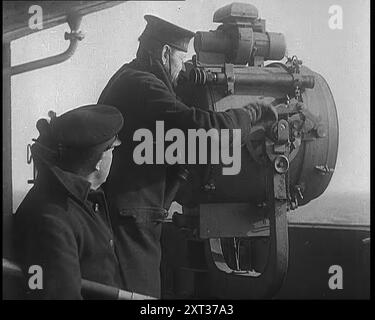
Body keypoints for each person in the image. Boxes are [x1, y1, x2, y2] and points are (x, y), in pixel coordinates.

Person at [98, 15, 278, 298]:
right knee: (138, 296)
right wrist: (251, 114)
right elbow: (203, 128)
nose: (182, 71)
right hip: (128, 220)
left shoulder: (129, 77)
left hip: (131, 215)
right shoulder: (142, 85)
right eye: (181, 61)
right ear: (165, 53)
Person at [14, 104, 125, 299]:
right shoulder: (52, 220)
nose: (113, 156)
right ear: (99, 160)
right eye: (112, 149)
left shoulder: (77, 201)